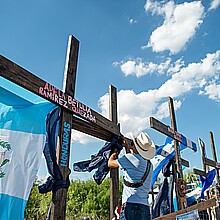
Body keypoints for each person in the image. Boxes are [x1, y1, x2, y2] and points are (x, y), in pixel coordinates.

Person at [108, 132, 156, 220]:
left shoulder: (130, 159)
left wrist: (114, 152)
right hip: (145, 207)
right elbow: (132, 163)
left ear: (135, 147)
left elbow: (110, 163)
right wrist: (126, 147)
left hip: (131, 206)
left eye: (132, 144)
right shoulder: (149, 164)